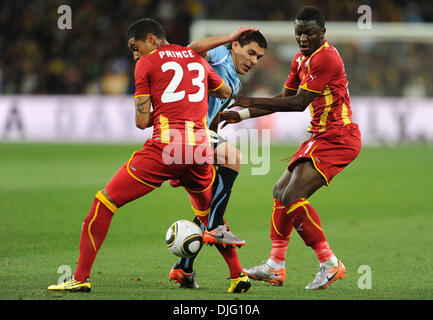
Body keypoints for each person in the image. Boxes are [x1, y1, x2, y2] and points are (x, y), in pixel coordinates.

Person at [47, 18, 250, 293]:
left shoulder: (147, 63)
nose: (134, 54)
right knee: (208, 216)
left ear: (152, 39)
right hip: (201, 149)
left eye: (135, 46)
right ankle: (238, 276)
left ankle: (80, 278)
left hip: (166, 149)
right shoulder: (195, 59)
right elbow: (225, 91)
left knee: (104, 203)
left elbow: (142, 122)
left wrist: (166, 108)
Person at [220, 6, 361, 290]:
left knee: (293, 194)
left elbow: (298, 104)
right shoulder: (300, 59)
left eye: (309, 33)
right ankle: (275, 265)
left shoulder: (327, 58)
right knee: (279, 192)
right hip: (320, 136)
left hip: (339, 136)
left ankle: (330, 264)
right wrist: (243, 114)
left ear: (323, 33)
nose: (303, 38)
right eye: (299, 33)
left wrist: (247, 100)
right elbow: (284, 97)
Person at [168, 28, 267, 288]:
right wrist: (228, 37)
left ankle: (184, 268)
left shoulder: (236, 84)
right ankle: (215, 230)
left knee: (209, 206)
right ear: (235, 45)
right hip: (182, 131)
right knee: (233, 157)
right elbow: (190, 50)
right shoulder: (219, 55)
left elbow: (211, 121)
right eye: (251, 53)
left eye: (259, 57)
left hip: (200, 136)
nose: (254, 61)